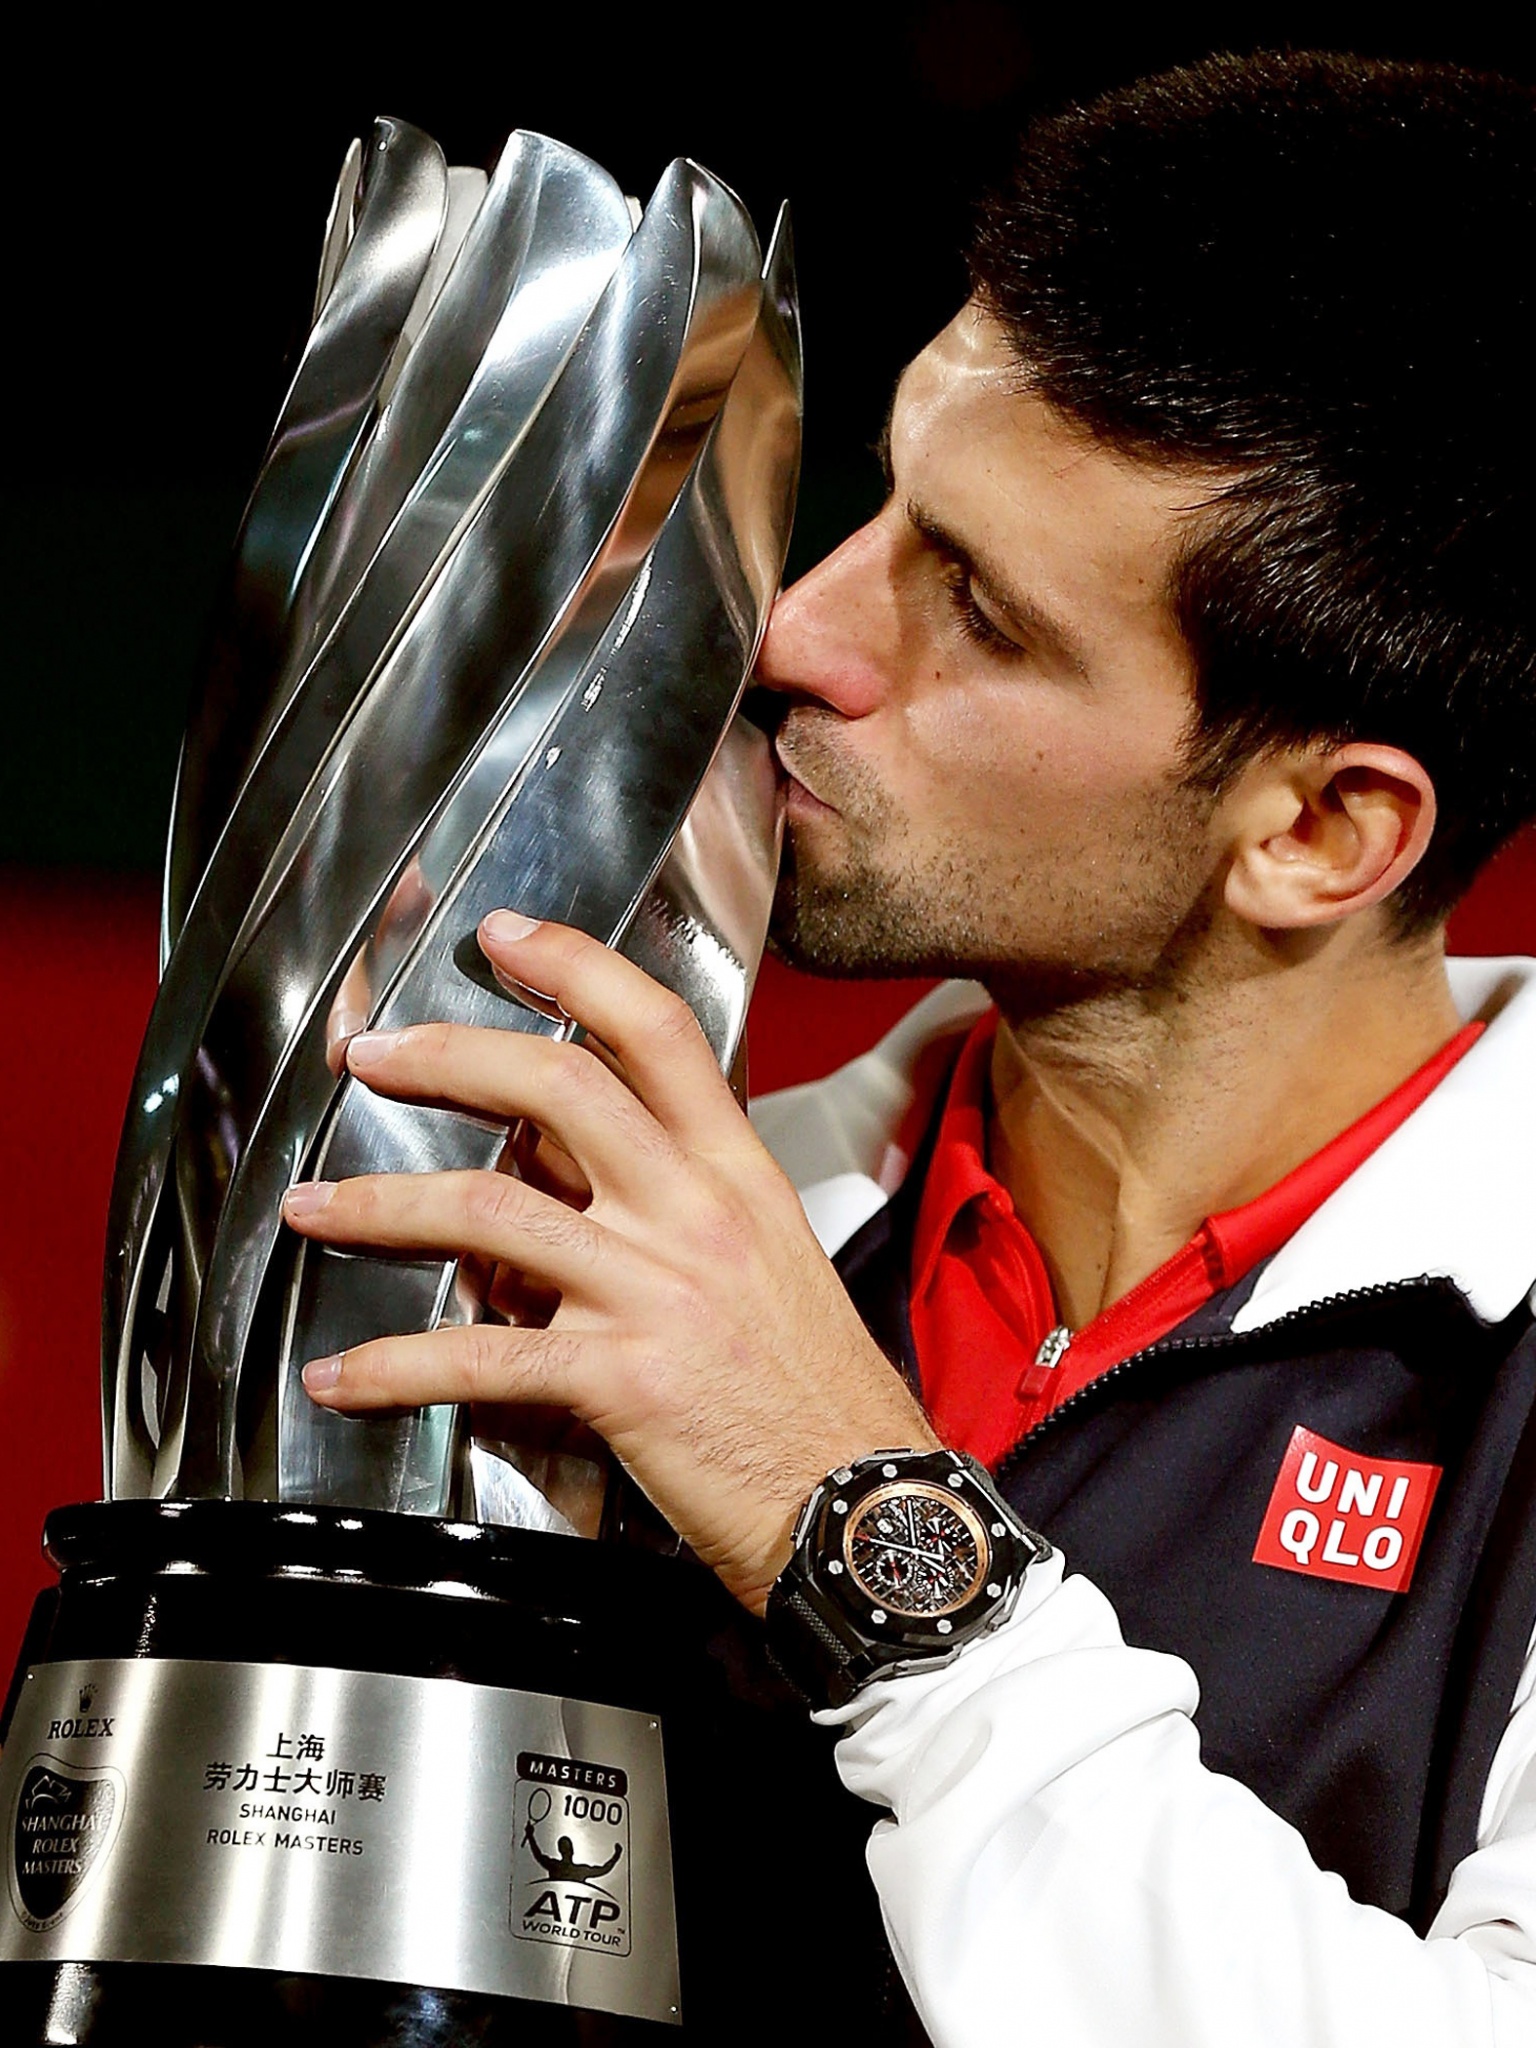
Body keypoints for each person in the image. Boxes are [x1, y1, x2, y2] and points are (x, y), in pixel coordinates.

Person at [278, 49, 1536, 2046]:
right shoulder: (644, 1247)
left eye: (987, 615)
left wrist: (862, 1527)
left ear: (1317, 830)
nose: (801, 636)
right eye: (883, 508)